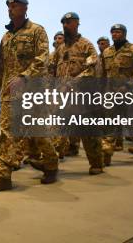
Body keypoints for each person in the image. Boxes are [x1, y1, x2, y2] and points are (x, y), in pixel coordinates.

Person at [0, 0, 59, 192]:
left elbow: (43, 59)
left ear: (25, 8)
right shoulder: (6, 37)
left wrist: (24, 77)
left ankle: (51, 163)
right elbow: (0, 68)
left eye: (15, 6)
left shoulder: (37, 31)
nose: (10, 9)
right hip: (10, 95)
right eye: (9, 6)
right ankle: (3, 175)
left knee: (38, 134)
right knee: (8, 133)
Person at [52, 12, 103, 174]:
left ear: (77, 24)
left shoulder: (86, 45)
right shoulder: (60, 49)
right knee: (56, 129)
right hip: (62, 97)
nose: (65, 25)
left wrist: (74, 83)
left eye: (69, 22)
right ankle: (49, 163)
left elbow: (93, 68)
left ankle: (96, 164)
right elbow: (51, 70)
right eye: (64, 23)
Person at [99, 24, 133, 164]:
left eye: (118, 32)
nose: (114, 35)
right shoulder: (107, 52)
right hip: (111, 94)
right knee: (109, 125)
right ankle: (106, 155)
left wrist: (128, 85)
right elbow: (102, 74)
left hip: (129, 94)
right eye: (112, 32)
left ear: (124, 33)